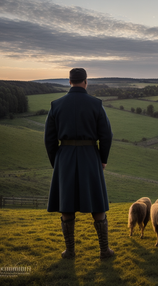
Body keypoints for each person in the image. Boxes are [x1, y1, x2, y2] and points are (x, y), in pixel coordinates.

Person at [45, 68, 114, 259]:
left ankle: (70, 251)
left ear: (69, 82)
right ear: (85, 82)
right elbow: (107, 135)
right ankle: (104, 251)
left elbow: (49, 140)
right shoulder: (96, 104)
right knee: (97, 205)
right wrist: (103, 159)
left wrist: (57, 162)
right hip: (91, 157)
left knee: (66, 205)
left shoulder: (56, 105)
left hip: (64, 158)